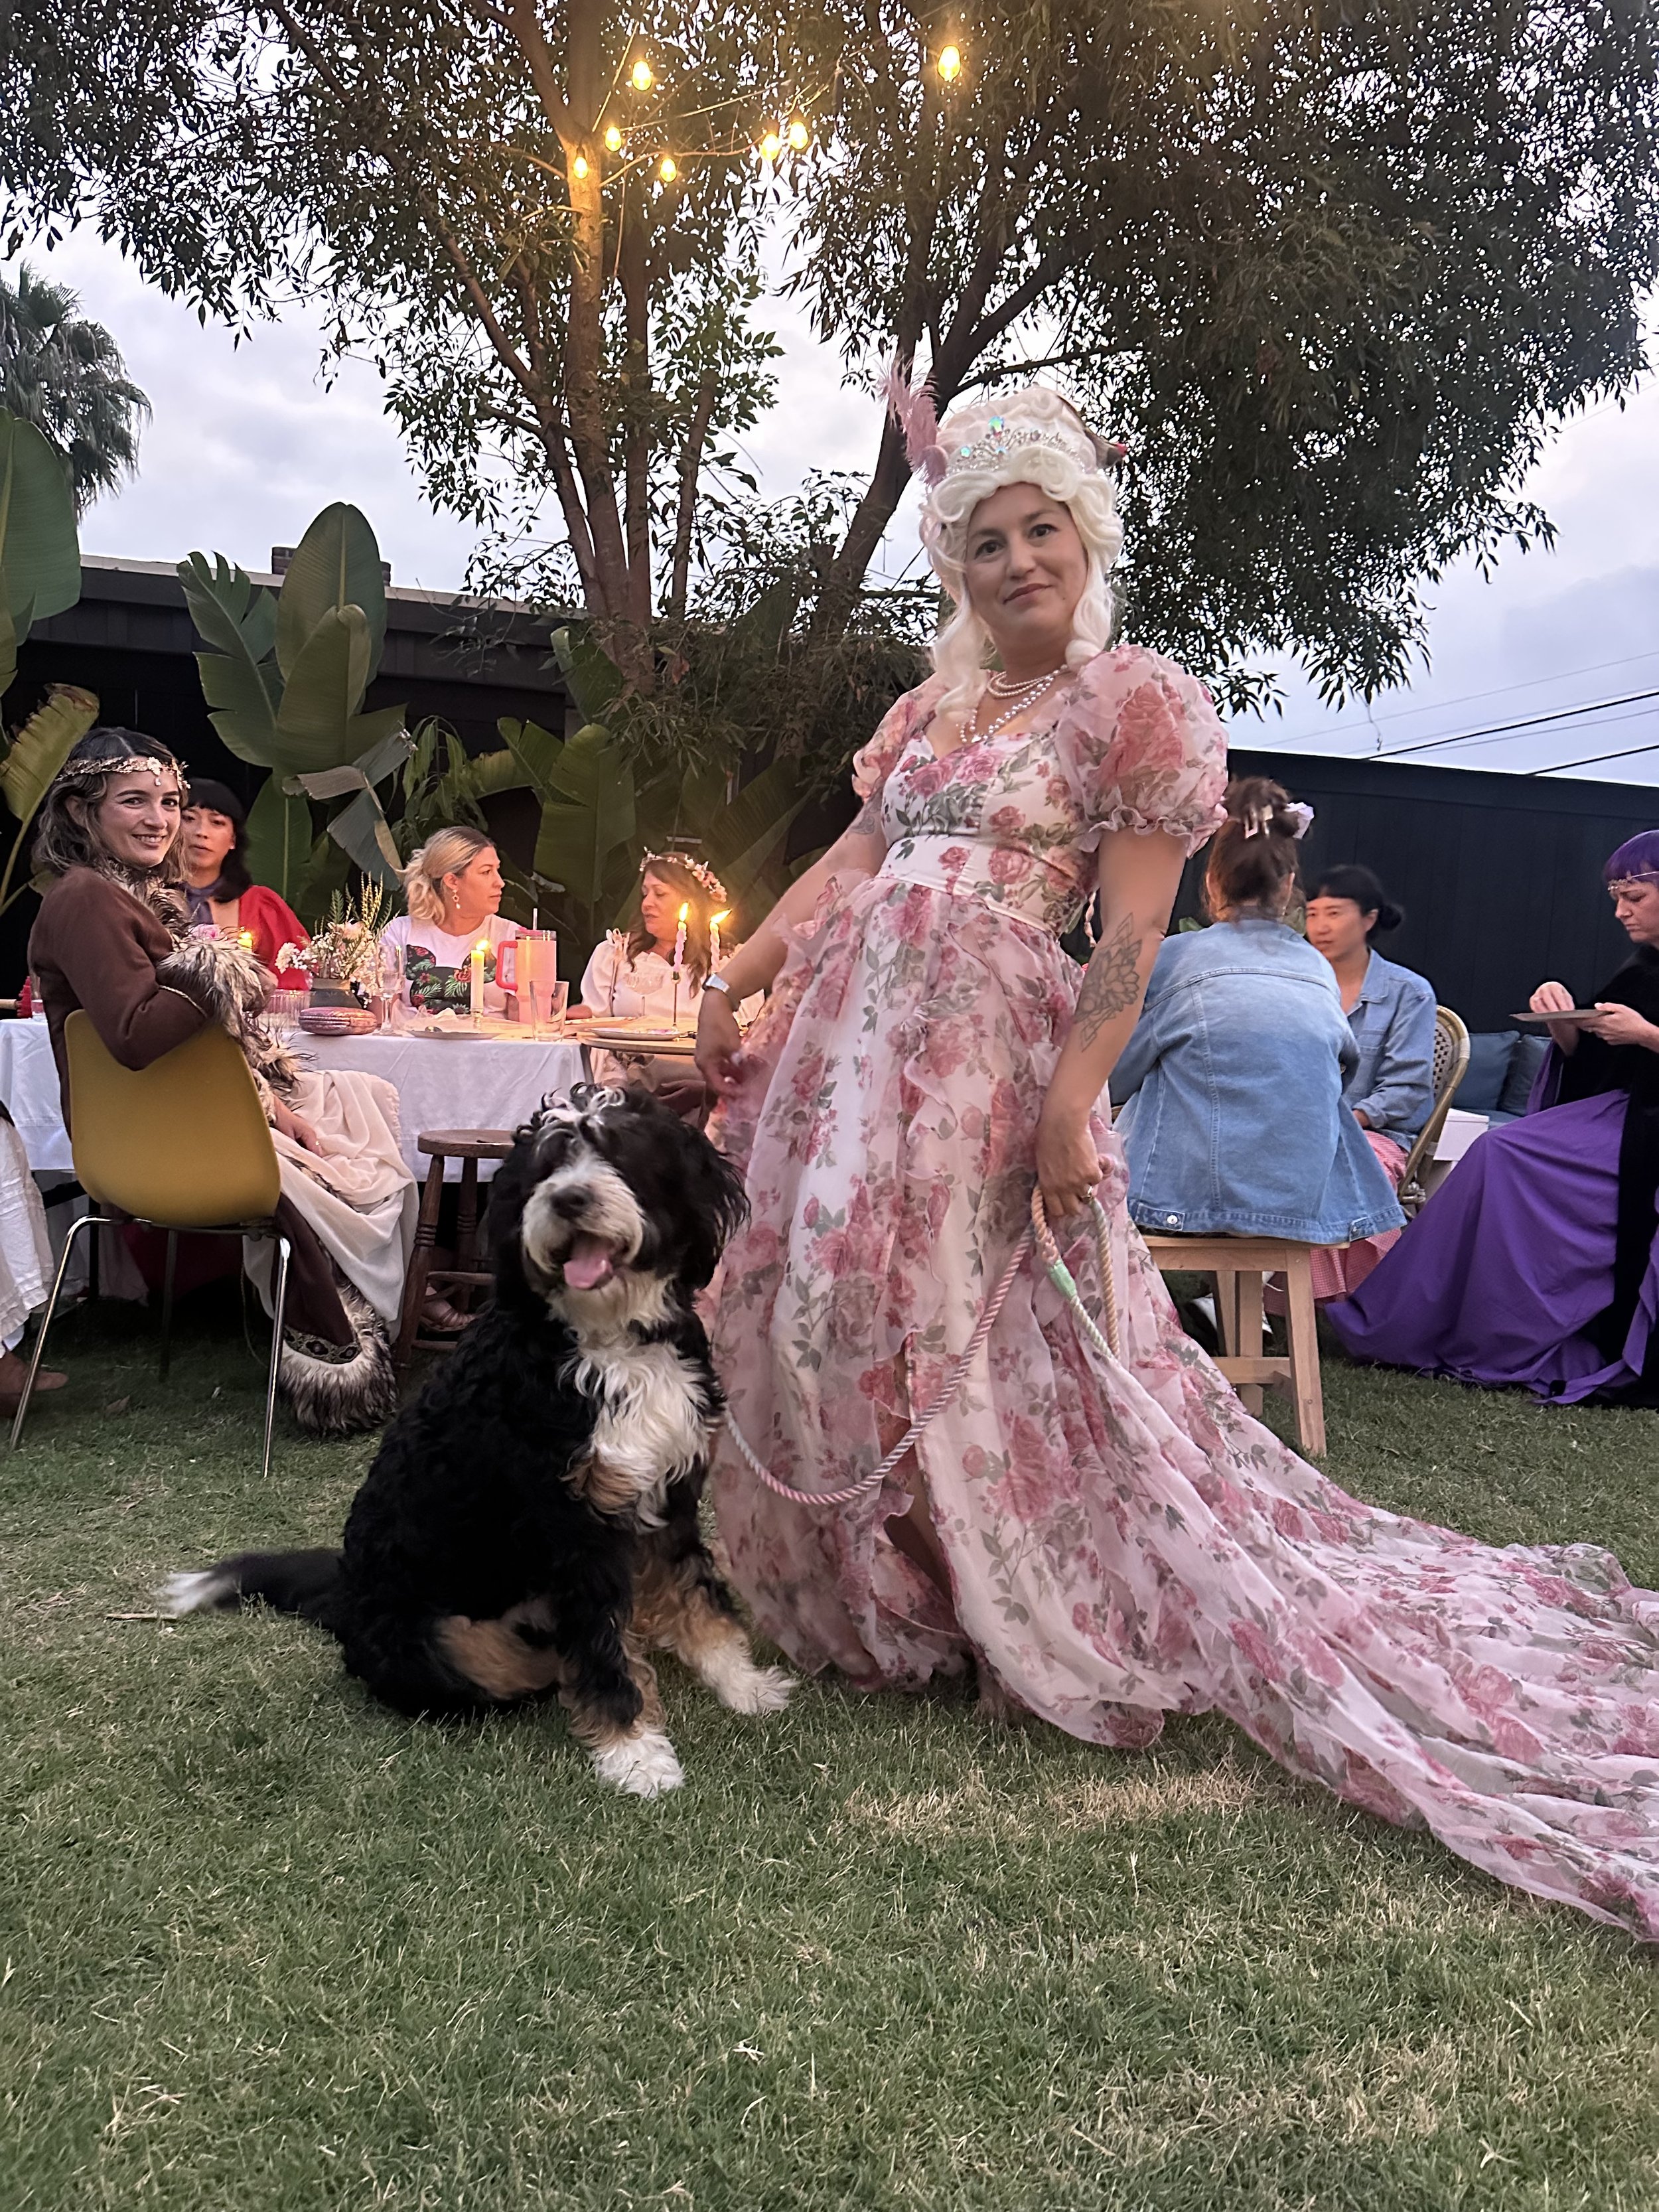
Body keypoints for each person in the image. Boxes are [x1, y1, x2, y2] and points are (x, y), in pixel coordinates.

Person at [693, 383, 1659, 1942]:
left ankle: (990, 1595)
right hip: (849, 1049)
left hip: (985, 1051)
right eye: (987, 539)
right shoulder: (925, 715)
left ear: (1085, 537)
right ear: (953, 559)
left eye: (1041, 531)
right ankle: (872, 1590)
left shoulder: (1125, 704)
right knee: (830, 1295)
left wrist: (1073, 1100)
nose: (1016, 562)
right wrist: (740, 973)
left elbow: (1133, 931)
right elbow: (854, 859)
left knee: (963, 1317)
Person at [27, 728, 416, 1435]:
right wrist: (217, 972)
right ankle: (348, 1342)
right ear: (83, 812)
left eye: (171, 801)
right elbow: (138, 1037)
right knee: (357, 1135)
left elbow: (199, 1051)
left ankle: (372, 1326)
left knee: (356, 1098)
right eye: (134, 801)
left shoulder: (134, 897)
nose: (160, 819)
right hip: (158, 1141)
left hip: (189, 1116)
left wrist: (268, 1101)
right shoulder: (86, 899)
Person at [1329, 828, 1659, 1405]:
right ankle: (1420, 1318)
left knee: (1501, 1155)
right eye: (1615, 894)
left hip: (1642, 1135)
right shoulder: (1642, 966)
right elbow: (1596, 1066)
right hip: (1618, 1119)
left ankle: (1485, 1328)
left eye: (1634, 896)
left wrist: (1648, 1034)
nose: (1619, 909)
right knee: (1495, 1153)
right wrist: (1562, 1023)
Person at [1109, 780, 1404, 1255]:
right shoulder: (1317, 968)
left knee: (1160, 1071)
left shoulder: (1176, 958)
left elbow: (1117, 1076)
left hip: (1179, 1197)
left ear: (1211, 880)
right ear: (1289, 886)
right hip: (1303, 1201)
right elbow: (1341, 1070)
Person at [1301, 861, 1437, 1295]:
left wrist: (1344, 1121)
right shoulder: (1297, 984)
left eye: (1335, 912)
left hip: (1375, 1133)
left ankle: (1291, 1291)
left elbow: (1407, 1089)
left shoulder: (1408, 993)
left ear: (1369, 918)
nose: (1321, 925)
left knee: (1330, 1167)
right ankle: (1249, 1286)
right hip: (1295, 1126)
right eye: (1312, 913)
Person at [179, 779, 309, 980]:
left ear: (233, 840)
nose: (201, 832)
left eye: (217, 822)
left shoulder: (262, 904)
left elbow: (295, 980)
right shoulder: (144, 895)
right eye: (189, 819)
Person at [380, 830, 518, 1015]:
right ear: (452, 881)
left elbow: (525, 1026)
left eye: (497, 870)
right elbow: (382, 1018)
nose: (500, 882)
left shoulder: (511, 937)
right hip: (412, 1042)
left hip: (489, 1043)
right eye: (486, 872)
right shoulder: (400, 932)